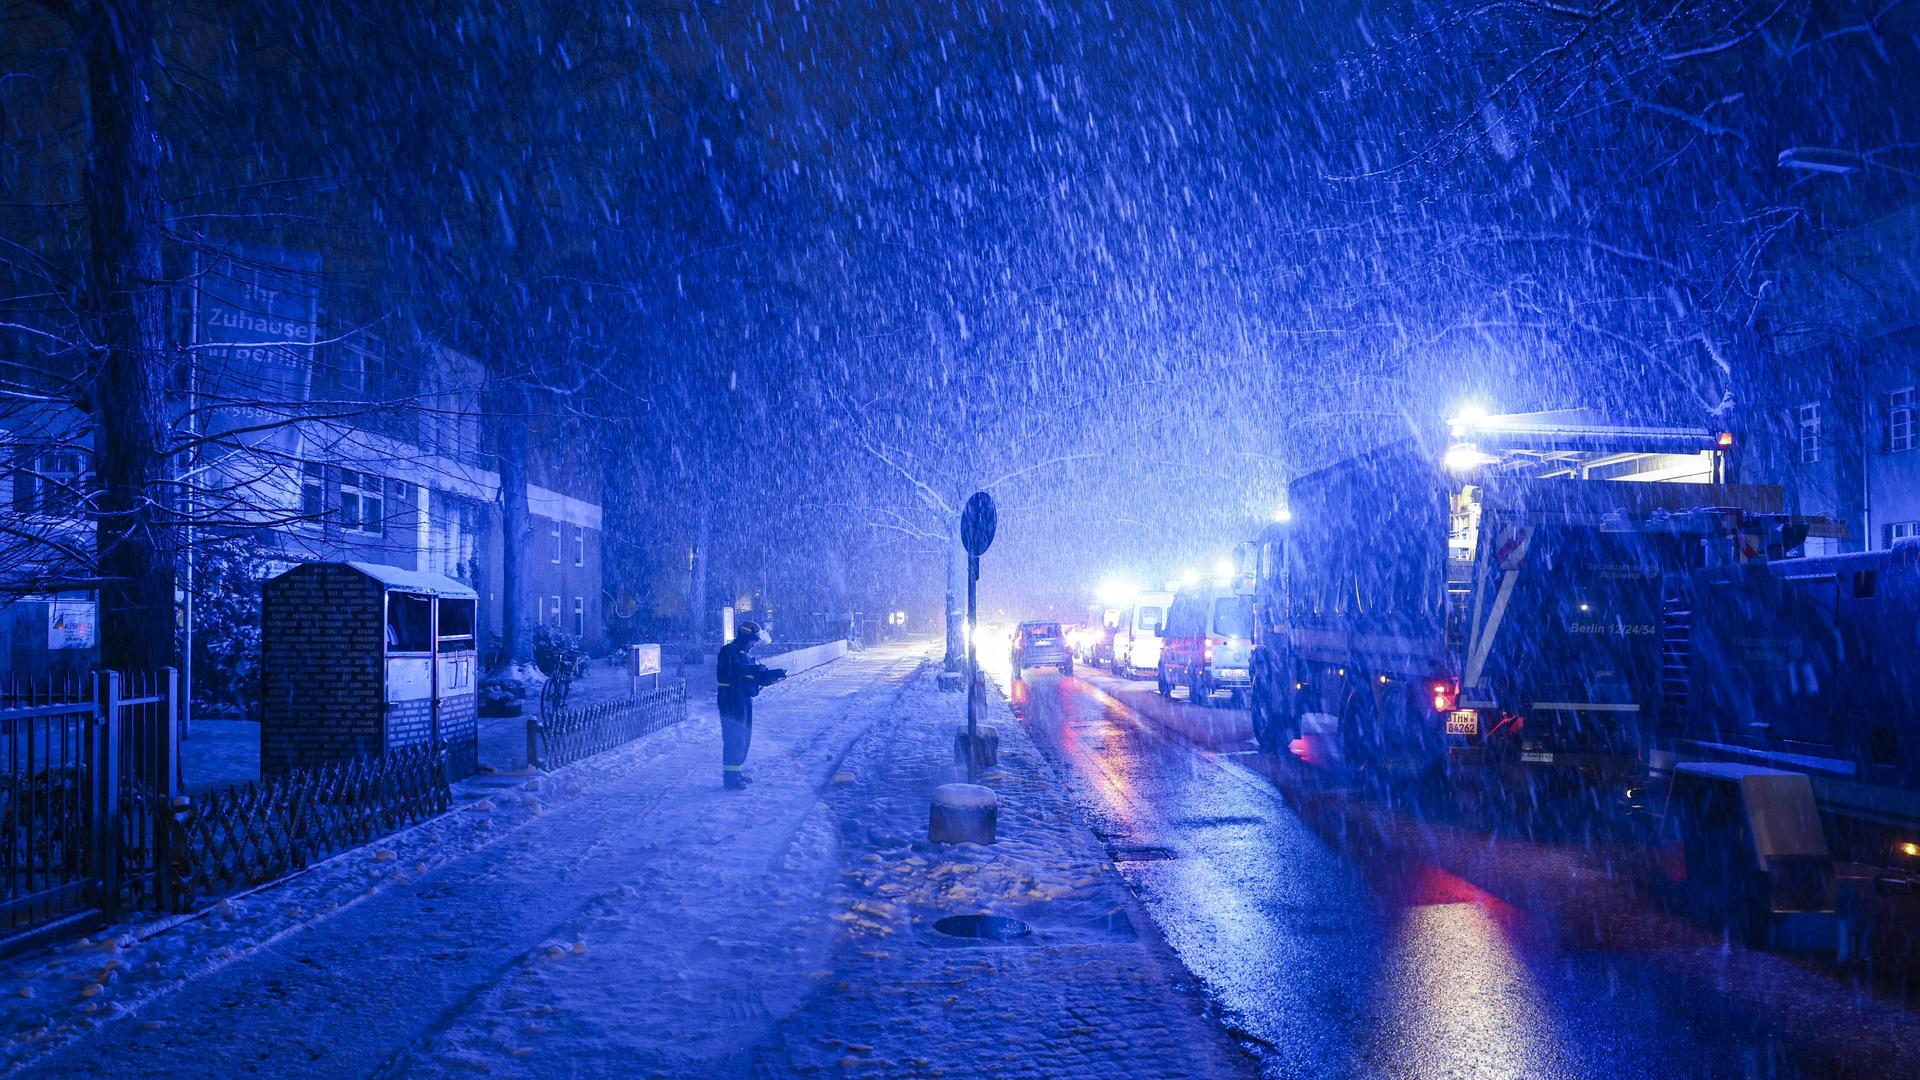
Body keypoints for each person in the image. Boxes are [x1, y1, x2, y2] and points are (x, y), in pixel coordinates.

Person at [716, 620, 786, 789]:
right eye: (753, 641)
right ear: (744, 637)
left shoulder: (746, 655)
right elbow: (733, 671)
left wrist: (769, 676)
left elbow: (751, 677)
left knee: (744, 737)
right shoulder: (728, 652)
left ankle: (737, 773)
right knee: (734, 737)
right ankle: (730, 779)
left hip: (744, 699)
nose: (754, 645)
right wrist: (754, 670)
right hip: (731, 698)